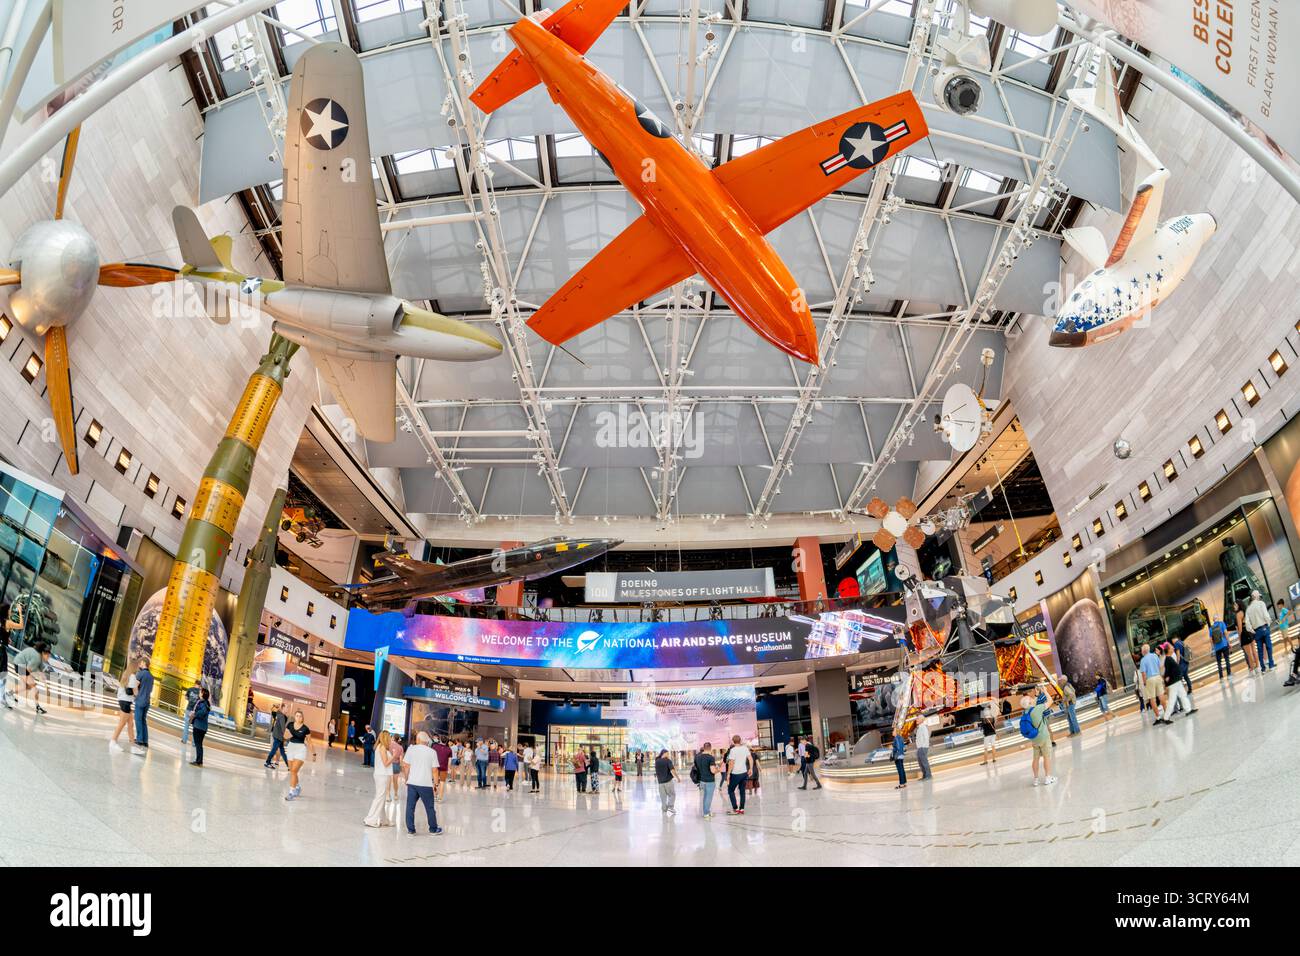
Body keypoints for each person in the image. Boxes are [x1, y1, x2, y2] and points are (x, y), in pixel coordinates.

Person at [401, 732, 443, 836]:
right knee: (429, 808)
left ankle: (411, 830)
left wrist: (407, 779)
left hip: (412, 784)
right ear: (427, 741)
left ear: (418, 740)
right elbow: (435, 770)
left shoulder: (411, 749)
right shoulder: (432, 752)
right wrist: (436, 784)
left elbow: (405, 766)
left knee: (410, 807)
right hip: (426, 784)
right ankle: (433, 829)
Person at [1020, 692, 1055, 786]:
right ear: (1030, 702)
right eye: (1031, 699)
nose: (1032, 699)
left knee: (1035, 758)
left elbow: (1033, 702)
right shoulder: (1037, 709)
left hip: (1034, 739)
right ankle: (1048, 777)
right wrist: (1045, 690)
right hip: (1043, 737)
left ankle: (1036, 779)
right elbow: (1050, 701)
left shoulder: (1024, 712)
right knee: (1046, 757)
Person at [364, 730, 395, 827]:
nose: (390, 739)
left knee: (380, 797)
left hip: (380, 774)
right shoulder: (382, 748)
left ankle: (384, 820)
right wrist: (393, 757)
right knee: (379, 798)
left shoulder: (380, 747)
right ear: (386, 738)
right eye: (389, 737)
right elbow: (386, 763)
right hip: (382, 775)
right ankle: (370, 819)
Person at [1159, 643, 1197, 723]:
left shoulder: (1169, 658)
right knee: (1172, 700)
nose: (1173, 648)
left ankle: (1188, 709)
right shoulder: (1168, 659)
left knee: (1183, 695)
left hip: (1177, 681)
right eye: (1171, 647)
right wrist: (1166, 678)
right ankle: (1166, 718)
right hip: (1173, 683)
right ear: (1168, 650)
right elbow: (1167, 672)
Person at [283, 709, 315, 801]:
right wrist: (285, 734)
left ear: (302, 718)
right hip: (291, 748)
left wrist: (314, 754)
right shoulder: (290, 725)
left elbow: (310, 742)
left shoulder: (305, 728)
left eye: (300, 716)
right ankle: (297, 787)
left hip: (300, 749)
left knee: (293, 771)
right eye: (296, 716)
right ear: (294, 717)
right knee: (292, 771)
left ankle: (291, 793)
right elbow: (285, 736)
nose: (298, 717)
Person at [109, 659, 138, 752]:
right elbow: (135, 692)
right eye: (137, 666)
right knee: (122, 723)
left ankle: (133, 746)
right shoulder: (132, 676)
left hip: (123, 701)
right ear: (135, 667)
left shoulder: (125, 674)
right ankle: (113, 741)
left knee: (130, 724)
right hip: (126, 702)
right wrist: (137, 685)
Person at [1245, 590, 1276, 671]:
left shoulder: (1248, 609)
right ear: (1256, 596)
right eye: (1259, 595)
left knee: (1260, 650)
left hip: (1256, 631)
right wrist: (1268, 624)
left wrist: (1252, 631)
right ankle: (1271, 665)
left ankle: (1263, 668)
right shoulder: (1261, 603)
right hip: (1264, 627)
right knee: (1269, 647)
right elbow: (1266, 616)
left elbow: (1247, 624)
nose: (1259, 596)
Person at [127, 656, 153, 749]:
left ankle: (139, 739)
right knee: (143, 720)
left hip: (140, 700)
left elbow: (135, 685)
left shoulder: (140, 673)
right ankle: (145, 741)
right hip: (147, 701)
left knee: (138, 719)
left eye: (141, 663)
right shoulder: (151, 676)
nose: (140, 664)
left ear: (144, 663)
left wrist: (135, 695)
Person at [1137, 643, 1165, 724]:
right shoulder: (1155, 655)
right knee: (1161, 695)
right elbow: (1160, 666)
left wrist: (1145, 683)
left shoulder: (1143, 660)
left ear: (1143, 652)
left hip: (1149, 679)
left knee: (1152, 699)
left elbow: (1143, 673)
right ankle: (1167, 714)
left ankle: (1158, 717)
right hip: (1158, 676)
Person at [725, 735, 751, 814]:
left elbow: (731, 763)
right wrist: (751, 769)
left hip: (736, 774)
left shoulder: (733, 750)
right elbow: (750, 759)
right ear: (740, 740)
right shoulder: (745, 748)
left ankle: (735, 808)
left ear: (733, 741)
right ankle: (742, 809)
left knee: (730, 790)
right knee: (742, 791)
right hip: (744, 773)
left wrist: (728, 774)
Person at [693, 744, 718, 817]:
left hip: (701, 780)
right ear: (710, 748)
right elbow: (713, 771)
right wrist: (718, 770)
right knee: (708, 797)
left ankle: (706, 811)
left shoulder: (697, 757)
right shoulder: (710, 758)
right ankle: (706, 813)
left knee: (705, 797)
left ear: (704, 748)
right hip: (709, 780)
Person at [190, 688, 211, 767]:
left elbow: (202, 712)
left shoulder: (203, 703)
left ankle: (199, 761)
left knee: (198, 744)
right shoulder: (206, 703)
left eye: (200, 692)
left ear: (203, 694)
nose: (199, 693)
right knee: (199, 744)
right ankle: (199, 761)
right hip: (202, 727)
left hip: (198, 726)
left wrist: (195, 713)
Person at [264, 703, 290, 769]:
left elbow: (277, 711)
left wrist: (277, 707)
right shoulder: (282, 716)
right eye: (287, 707)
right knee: (274, 749)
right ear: (283, 708)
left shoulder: (279, 714)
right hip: (278, 736)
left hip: (278, 736)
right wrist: (288, 736)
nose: (288, 709)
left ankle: (288, 765)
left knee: (282, 751)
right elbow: (283, 728)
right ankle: (268, 762)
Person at [1237, 601, 1259, 673]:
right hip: (1250, 631)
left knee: (1248, 653)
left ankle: (1252, 667)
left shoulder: (1238, 614)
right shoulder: (1246, 611)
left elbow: (1240, 628)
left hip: (1244, 633)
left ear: (1239, 605)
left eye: (1235, 605)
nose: (1234, 606)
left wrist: (1240, 638)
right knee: (1254, 650)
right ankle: (1257, 666)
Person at [654, 748, 676, 814]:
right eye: (667, 753)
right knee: (672, 794)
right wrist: (677, 778)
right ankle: (671, 807)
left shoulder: (657, 761)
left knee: (663, 796)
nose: (668, 755)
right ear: (664, 753)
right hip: (668, 781)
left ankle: (664, 809)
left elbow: (657, 771)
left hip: (660, 782)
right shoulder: (667, 760)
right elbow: (672, 770)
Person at [389, 735, 405, 801]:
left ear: (393, 738)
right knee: (395, 781)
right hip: (396, 765)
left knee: (389, 781)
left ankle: (388, 795)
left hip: (389, 764)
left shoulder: (389, 744)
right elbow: (401, 759)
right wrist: (402, 768)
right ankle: (395, 794)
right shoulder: (400, 747)